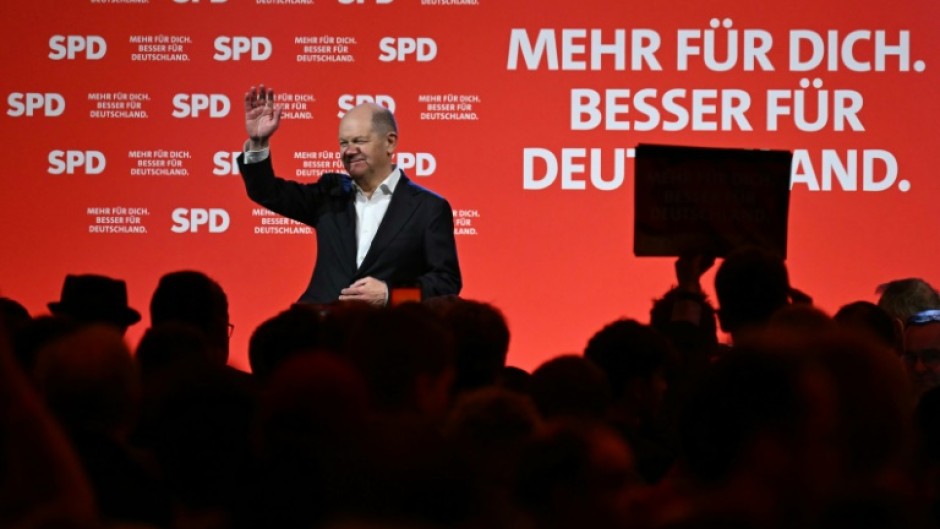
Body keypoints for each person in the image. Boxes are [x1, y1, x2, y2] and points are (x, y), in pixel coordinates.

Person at [237, 84, 462, 306]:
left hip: (386, 333)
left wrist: (389, 295)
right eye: (343, 143)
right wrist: (258, 143)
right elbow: (267, 192)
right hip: (321, 328)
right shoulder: (329, 194)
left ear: (390, 142)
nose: (349, 151)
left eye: (359, 141)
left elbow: (446, 283)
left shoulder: (428, 208)